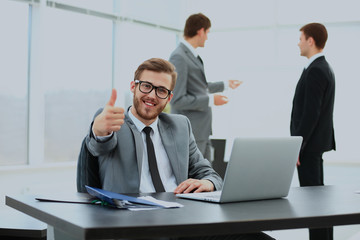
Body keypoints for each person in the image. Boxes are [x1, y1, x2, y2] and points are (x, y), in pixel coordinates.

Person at [83, 58, 274, 240]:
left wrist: (208, 182)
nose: (152, 95)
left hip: (184, 221)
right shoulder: (111, 122)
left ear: (169, 97)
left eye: (161, 90)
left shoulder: (180, 126)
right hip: (135, 225)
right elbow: (98, 145)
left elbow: (208, 172)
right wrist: (99, 131)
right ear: (134, 86)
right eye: (146, 86)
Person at [169, 13, 242, 161]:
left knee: (206, 177)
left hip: (201, 131)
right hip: (191, 132)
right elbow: (177, 99)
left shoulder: (191, 55)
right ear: (200, 31)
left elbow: (199, 86)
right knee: (195, 178)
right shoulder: (179, 57)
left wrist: (226, 84)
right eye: (207, 32)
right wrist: (210, 100)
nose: (207, 37)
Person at [291, 23, 336, 240]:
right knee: (317, 201)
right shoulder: (319, 67)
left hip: (308, 148)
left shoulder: (317, 69)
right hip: (313, 145)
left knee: (313, 202)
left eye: (301, 38)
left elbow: (311, 114)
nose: (298, 43)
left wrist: (297, 146)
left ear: (311, 40)